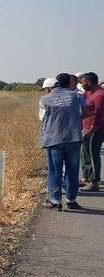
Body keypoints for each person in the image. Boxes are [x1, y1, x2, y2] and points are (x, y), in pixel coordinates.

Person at [39, 73, 83, 210]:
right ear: (70, 82)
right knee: (73, 170)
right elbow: (85, 112)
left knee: (54, 171)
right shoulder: (77, 96)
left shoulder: (45, 99)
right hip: (73, 138)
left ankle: (55, 201)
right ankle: (71, 200)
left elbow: (41, 118)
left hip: (54, 139)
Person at [79, 72, 104, 191]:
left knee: (94, 154)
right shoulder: (89, 92)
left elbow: (99, 116)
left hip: (96, 130)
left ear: (88, 82)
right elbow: (79, 98)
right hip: (87, 129)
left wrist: (91, 130)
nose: (81, 83)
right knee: (85, 153)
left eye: (82, 81)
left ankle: (95, 182)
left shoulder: (99, 95)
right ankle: (86, 177)